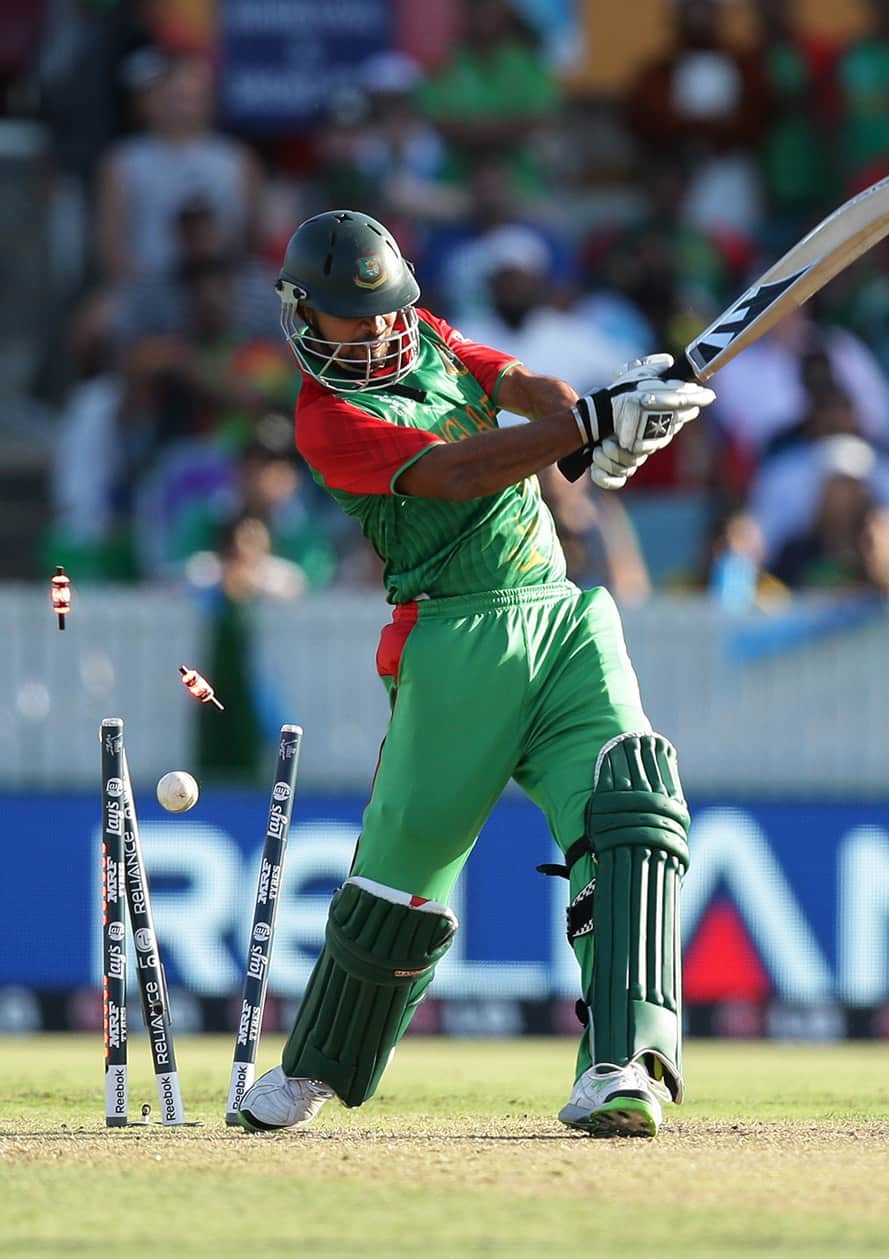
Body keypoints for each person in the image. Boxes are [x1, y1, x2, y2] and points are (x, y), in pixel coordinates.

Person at [237, 210, 714, 1138]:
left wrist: (601, 424)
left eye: (383, 308)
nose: (376, 328)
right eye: (350, 315)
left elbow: (516, 381)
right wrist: (582, 426)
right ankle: (313, 1071)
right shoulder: (327, 419)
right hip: (455, 639)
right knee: (399, 880)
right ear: (302, 313)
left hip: (564, 612)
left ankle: (626, 1065)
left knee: (631, 816)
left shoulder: (429, 336)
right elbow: (454, 473)